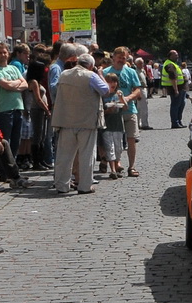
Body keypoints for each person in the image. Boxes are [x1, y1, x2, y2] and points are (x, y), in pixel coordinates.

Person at [50, 50, 106, 196]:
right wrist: (99, 75)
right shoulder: (91, 76)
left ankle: (62, 185)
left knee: (64, 156)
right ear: (90, 66)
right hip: (86, 121)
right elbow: (105, 90)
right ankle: (85, 186)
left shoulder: (64, 74)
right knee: (87, 155)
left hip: (66, 120)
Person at [0, 43, 29, 181]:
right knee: (5, 143)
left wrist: (13, 85)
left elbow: (25, 84)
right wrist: (15, 84)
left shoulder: (13, 68)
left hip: (18, 108)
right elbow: (5, 85)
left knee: (16, 143)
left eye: (5, 52)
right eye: (0, 53)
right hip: (4, 110)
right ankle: (4, 173)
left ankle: (13, 172)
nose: (3, 55)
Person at [109, 48, 144, 177]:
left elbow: (137, 90)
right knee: (114, 139)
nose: (122, 60)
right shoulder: (107, 72)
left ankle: (131, 166)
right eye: (119, 57)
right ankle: (116, 163)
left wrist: (128, 98)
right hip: (113, 111)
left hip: (130, 110)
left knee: (131, 139)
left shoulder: (131, 72)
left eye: (124, 58)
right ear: (114, 57)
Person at [101, 72, 127, 178]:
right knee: (109, 147)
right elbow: (101, 111)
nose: (113, 83)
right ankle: (112, 170)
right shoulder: (103, 95)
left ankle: (117, 167)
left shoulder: (119, 93)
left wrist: (121, 99)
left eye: (114, 81)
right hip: (107, 126)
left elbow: (125, 107)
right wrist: (108, 110)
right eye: (110, 81)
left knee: (118, 147)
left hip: (118, 125)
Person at [162, 50, 185, 128]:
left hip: (179, 87)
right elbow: (173, 78)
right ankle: (175, 122)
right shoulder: (169, 64)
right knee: (175, 106)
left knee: (181, 105)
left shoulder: (174, 64)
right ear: (170, 56)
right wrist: (176, 90)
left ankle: (178, 121)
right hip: (174, 88)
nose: (177, 56)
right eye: (175, 55)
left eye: (177, 54)